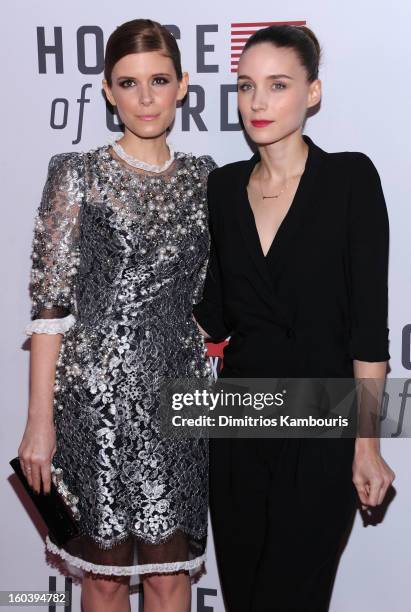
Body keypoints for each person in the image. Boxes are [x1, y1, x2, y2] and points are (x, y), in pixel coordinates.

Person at [193, 24, 395, 612]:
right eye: (246, 86)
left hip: (322, 424)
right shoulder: (222, 187)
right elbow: (216, 313)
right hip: (237, 427)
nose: (257, 102)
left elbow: (368, 327)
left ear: (312, 93)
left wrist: (367, 445)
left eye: (277, 85)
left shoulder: (350, 179)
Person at [17, 18, 216, 612]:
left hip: (179, 399)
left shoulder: (209, 180)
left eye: (159, 80)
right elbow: (50, 306)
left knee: (170, 574)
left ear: (183, 84)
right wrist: (39, 422)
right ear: (107, 90)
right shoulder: (76, 174)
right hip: (92, 402)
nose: (146, 97)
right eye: (129, 83)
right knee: (102, 578)